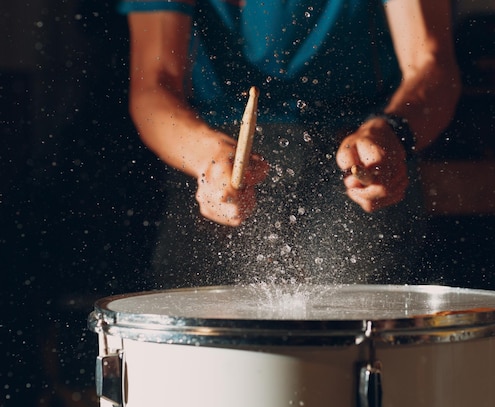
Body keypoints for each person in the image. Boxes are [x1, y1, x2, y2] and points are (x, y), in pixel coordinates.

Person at [117, 0, 461, 288]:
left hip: (360, 149)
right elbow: (153, 87)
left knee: (374, 329)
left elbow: (431, 64)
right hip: (210, 152)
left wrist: (393, 132)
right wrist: (207, 157)